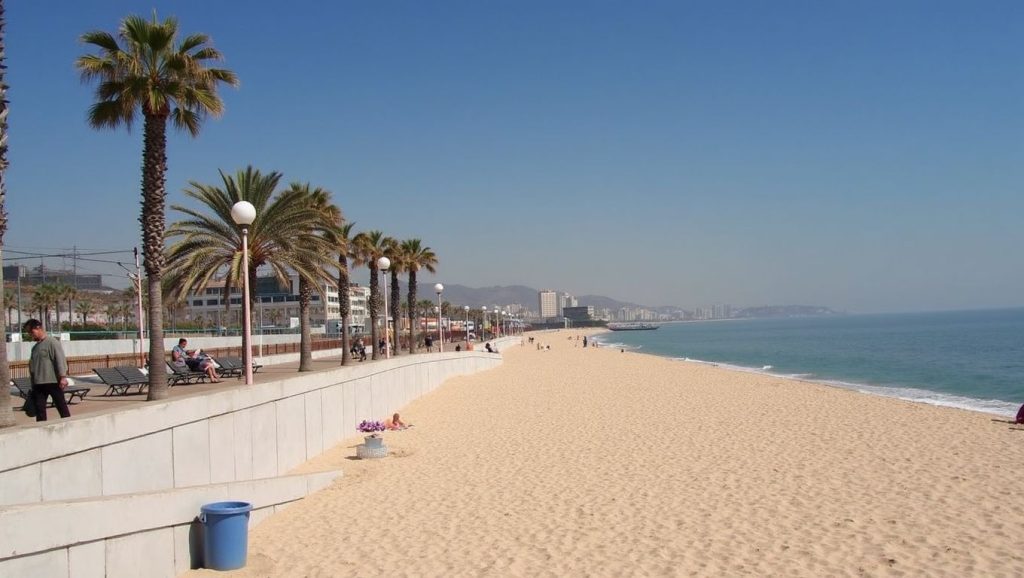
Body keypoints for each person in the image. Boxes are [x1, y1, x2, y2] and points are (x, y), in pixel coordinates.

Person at [24, 319, 71, 422]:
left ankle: (68, 425)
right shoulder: (35, 348)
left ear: (38, 328)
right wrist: (33, 383)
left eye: (31, 332)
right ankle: (41, 430)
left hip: (53, 381)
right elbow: (32, 366)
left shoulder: (52, 342)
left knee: (61, 406)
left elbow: (60, 359)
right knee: (40, 409)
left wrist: (63, 377)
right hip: (38, 384)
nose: (31, 335)